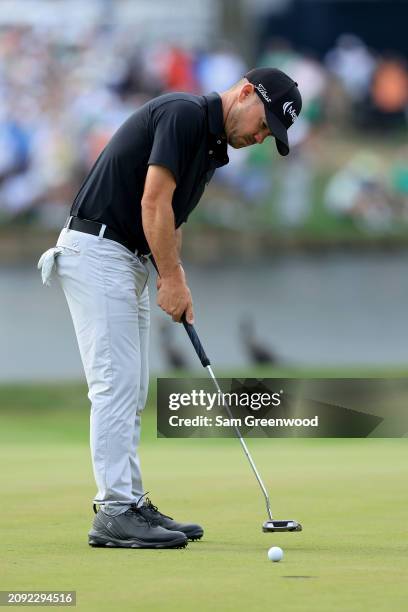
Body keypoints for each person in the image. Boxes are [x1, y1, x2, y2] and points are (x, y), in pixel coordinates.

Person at [38, 67, 302, 550]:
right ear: (245, 93)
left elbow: (171, 220)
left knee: (132, 387)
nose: (261, 137)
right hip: (97, 251)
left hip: (127, 260)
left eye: (270, 135)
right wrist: (172, 277)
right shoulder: (183, 114)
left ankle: (131, 501)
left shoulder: (211, 148)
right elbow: (153, 201)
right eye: (264, 124)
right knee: (115, 385)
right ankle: (115, 511)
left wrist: (172, 275)